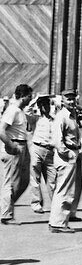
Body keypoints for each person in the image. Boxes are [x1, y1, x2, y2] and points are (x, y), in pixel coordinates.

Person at [49, 91, 82, 233]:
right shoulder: (61, 117)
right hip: (66, 156)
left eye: (72, 99)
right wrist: (67, 153)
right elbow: (57, 140)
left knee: (67, 189)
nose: (71, 101)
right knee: (63, 190)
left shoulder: (72, 115)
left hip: (72, 152)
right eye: (68, 99)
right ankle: (57, 223)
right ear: (62, 101)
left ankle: (59, 222)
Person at [0, 83, 35, 224]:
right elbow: (1, 130)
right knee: (10, 182)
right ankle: (6, 215)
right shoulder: (12, 110)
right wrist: (11, 145)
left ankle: (5, 206)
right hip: (13, 147)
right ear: (23, 96)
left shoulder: (21, 111)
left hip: (22, 146)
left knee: (24, 181)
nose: (30, 99)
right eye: (29, 96)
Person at [28, 95, 56, 214]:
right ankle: (36, 203)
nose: (46, 107)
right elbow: (27, 111)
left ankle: (56, 203)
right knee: (35, 177)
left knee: (52, 179)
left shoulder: (55, 119)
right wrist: (35, 100)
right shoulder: (35, 119)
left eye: (47, 105)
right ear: (39, 107)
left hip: (50, 151)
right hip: (37, 148)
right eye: (43, 105)